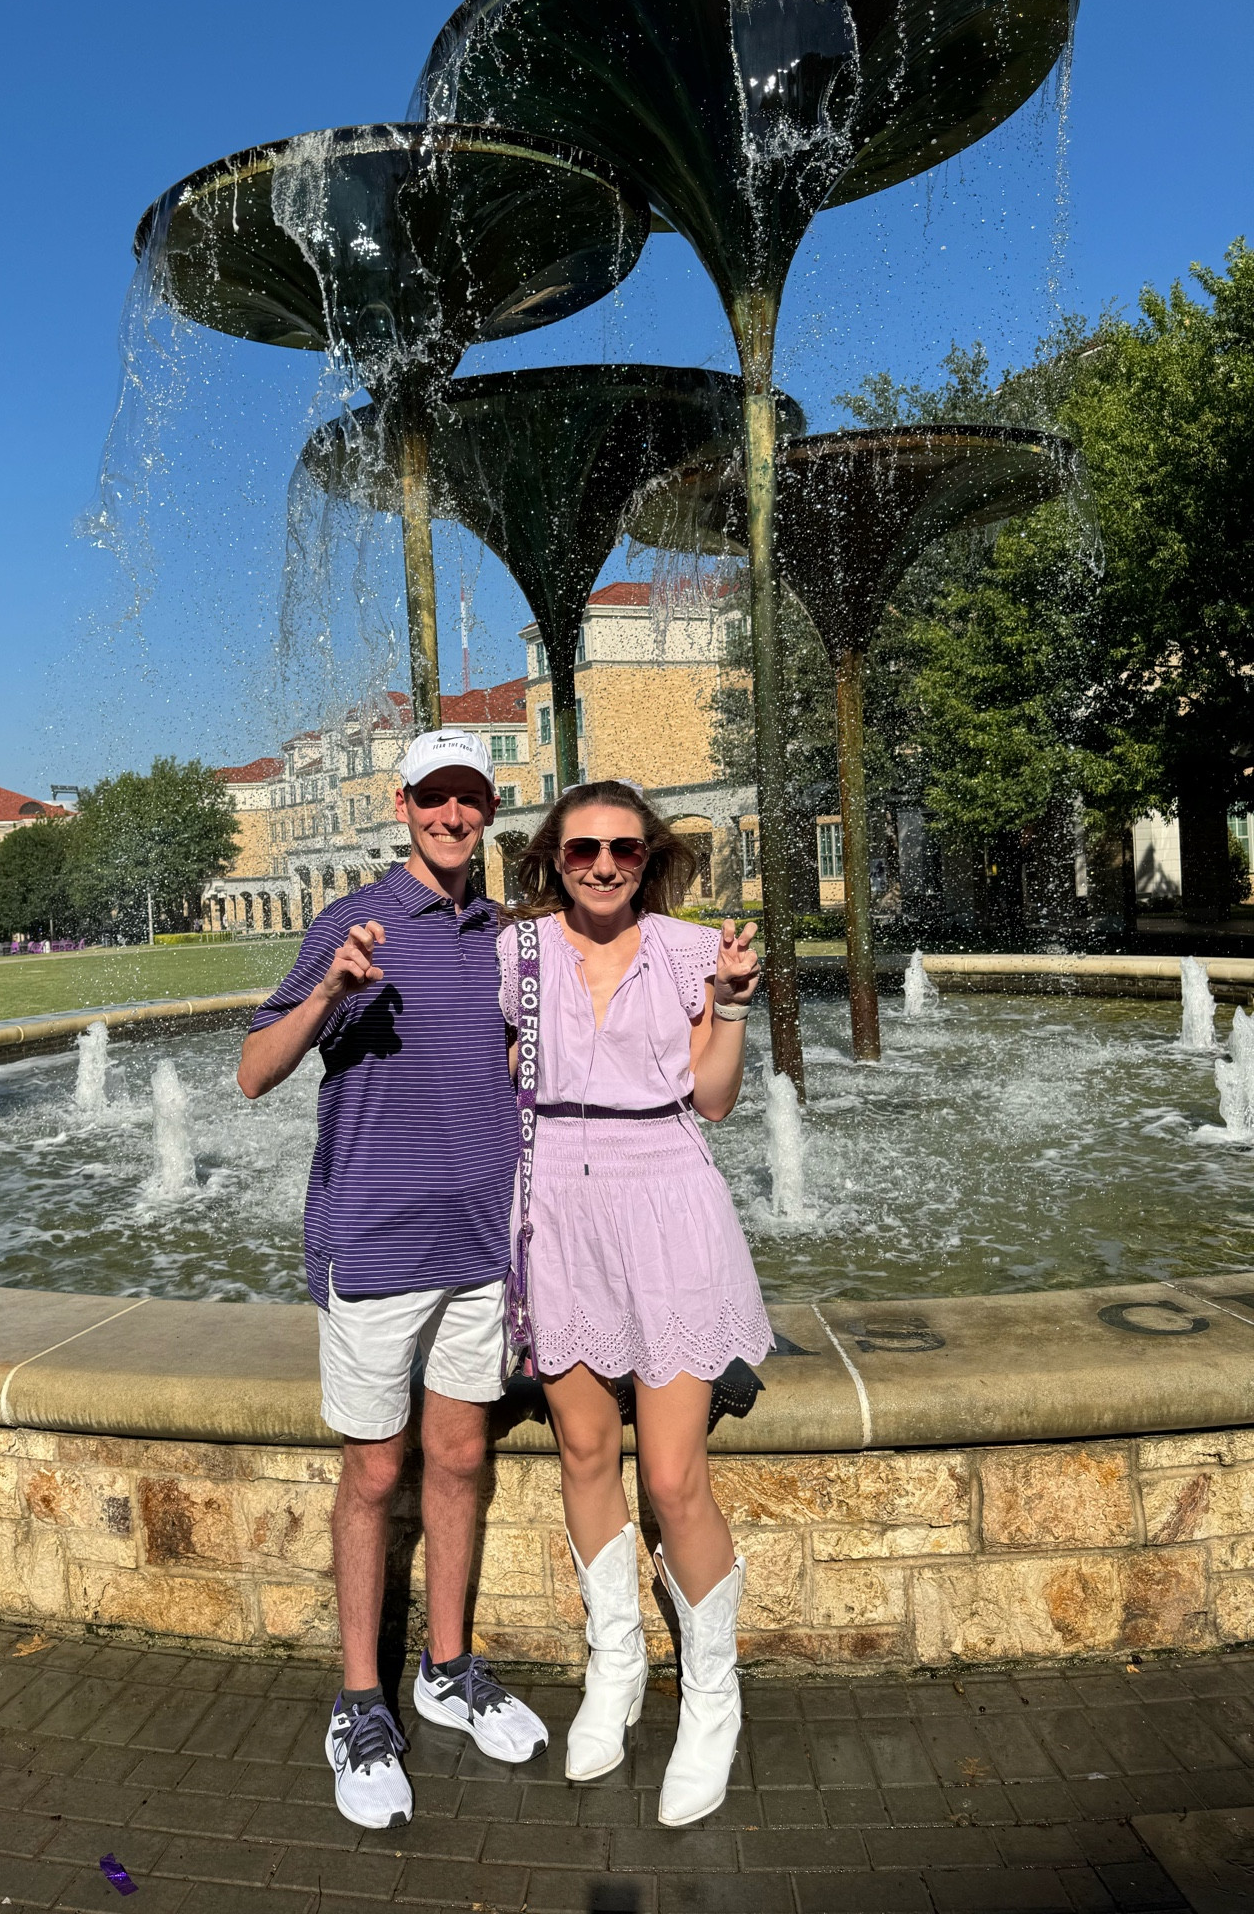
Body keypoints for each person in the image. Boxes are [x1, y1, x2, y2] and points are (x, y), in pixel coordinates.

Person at [237, 729, 548, 1831]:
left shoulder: (504, 933)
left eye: (472, 798)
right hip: (374, 1242)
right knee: (375, 1472)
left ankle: (446, 1667)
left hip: (477, 1243)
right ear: (403, 802)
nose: (454, 815)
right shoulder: (352, 918)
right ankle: (359, 1698)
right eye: (435, 797)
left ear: (489, 809)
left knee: (459, 1454)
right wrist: (332, 987)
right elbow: (252, 1071)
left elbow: (507, 1063)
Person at [497, 779, 770, 1828]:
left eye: (621, 847)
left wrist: (735, 1000)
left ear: (648, 856)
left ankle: (712, 1691)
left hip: (666, 1195)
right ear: (550, 861)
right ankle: (615, 1659)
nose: (602, 864)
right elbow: (477, 1062)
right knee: (580, 1447)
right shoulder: (515, 953)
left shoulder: (693, 950)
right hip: (554, 1201)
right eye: (581, 851)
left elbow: (713, 1097)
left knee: (671, 1471)